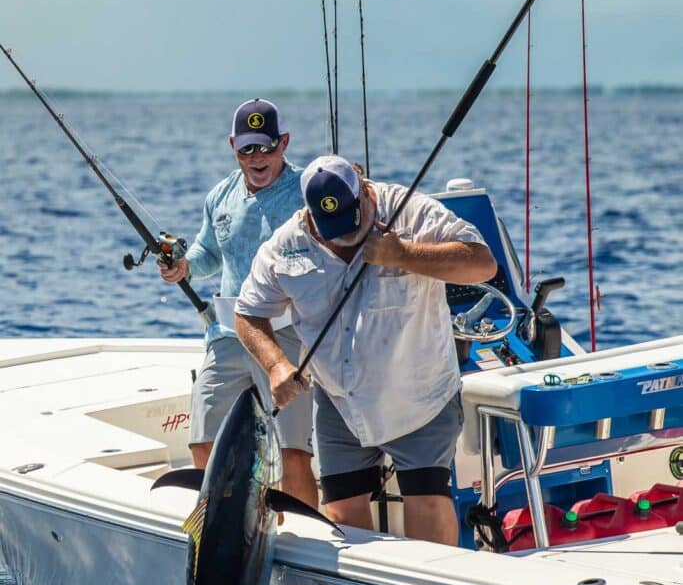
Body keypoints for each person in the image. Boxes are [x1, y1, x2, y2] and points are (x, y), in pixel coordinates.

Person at [234, 154, 497, 545]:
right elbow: (247, 313)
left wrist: (402, 254)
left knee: (425, 499)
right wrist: (275, 366)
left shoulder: (412, 212)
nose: (342, 236)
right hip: (341, 402)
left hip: (418, 395)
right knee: (341, 516)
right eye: (330, 230)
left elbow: (482, 264)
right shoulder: (287, 244)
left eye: (351, 223)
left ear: (364, 191)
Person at [158, 98, 317, 508]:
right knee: (203, 440)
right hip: (228, 333)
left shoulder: (306, 192)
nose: (257, 157)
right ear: (233, 146)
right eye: (247, 148)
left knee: (293, 451)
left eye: (266, 146)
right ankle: (222, 526)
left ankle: (300, 539)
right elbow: (207, 254)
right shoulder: (220, 196)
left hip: (285, 335)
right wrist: (182, 267)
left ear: (284, 143)